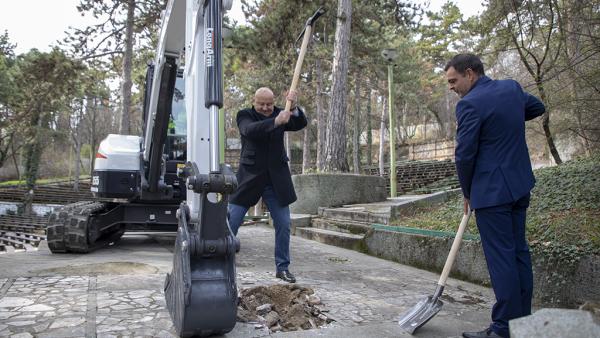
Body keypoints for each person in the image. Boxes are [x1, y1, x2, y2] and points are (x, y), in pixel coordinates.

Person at [444, 54, 545, 338]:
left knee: (501, 259)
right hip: (520, 184)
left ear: (470, 74)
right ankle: (522, 322)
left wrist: (467, 192)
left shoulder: (470, 105)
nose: (451, 87)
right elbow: (537, 106)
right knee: (519, 254)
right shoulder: (511, 89)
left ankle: (502, 329)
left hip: (491, 193)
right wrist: (507, 116)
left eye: (454, 81)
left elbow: (464, 156)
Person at [228, 87, 307, 283]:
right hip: (249, 179)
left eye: (269, 104)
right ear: (254, 101)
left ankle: (282, 268)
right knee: (230, 224)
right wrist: (275, 121)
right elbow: (250, 130)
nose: (265, 107)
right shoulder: (244, 115)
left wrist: (294, 107)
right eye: (261, 104)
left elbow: (299, 123)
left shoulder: (282, 112)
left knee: (283, 224)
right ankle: (221, 264)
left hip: (276, 180)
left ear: (274, 102)